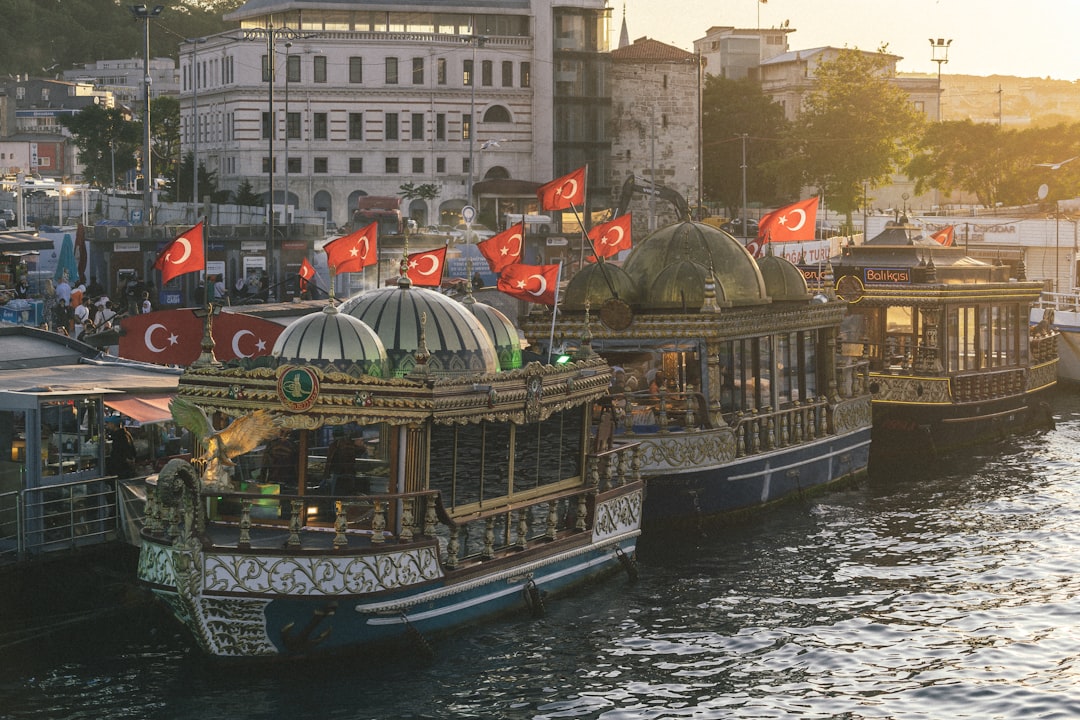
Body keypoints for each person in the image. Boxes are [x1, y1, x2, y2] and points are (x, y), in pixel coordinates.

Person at [323, 427, 358, 496]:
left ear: (334, 435)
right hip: (350, 474)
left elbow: (329, 461)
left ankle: (335, 505)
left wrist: (326, 476)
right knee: (347, 496)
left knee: (335, 496)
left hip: (338, 474)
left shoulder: (334, 446)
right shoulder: (350, 445)